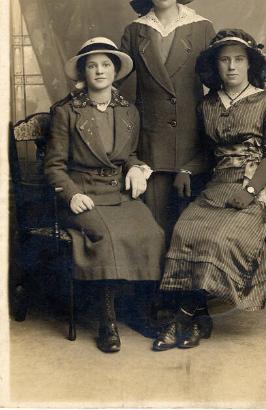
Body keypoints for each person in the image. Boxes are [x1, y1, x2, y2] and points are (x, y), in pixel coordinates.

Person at [152, 29, 266, 351]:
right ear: (215, 65)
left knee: (220, 237)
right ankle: (201, 318)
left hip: (257, 187)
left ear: (249, 64)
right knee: (184, 230)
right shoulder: (208, 104)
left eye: (239, 59)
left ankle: (182, 319)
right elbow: (205, 151)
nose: (231, 67)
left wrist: (252, 190)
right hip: (218, 185)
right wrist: (186, 168)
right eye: (224, 60)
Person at [44, 37, 165, 353]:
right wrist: (69, 194)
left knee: (151, 233)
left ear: (115, 71)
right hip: (84, 195)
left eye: (106, 64)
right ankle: (107, 321)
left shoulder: (128, 112)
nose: (99, 70)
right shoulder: (66, 112)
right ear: (84, 72)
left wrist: (136, 169)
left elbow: (131, 155)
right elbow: (54, 166)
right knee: (109, 238)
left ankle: (138, 312)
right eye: (92, 65)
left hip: (118, 194)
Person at [121, 0, 215, 240]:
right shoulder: (135, 31)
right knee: (156, 229)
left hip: (192, 143)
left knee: (192, 231)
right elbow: (117, 78)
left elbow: (218, 86)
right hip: (151, 143)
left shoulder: (202, 28)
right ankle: (155, 286)